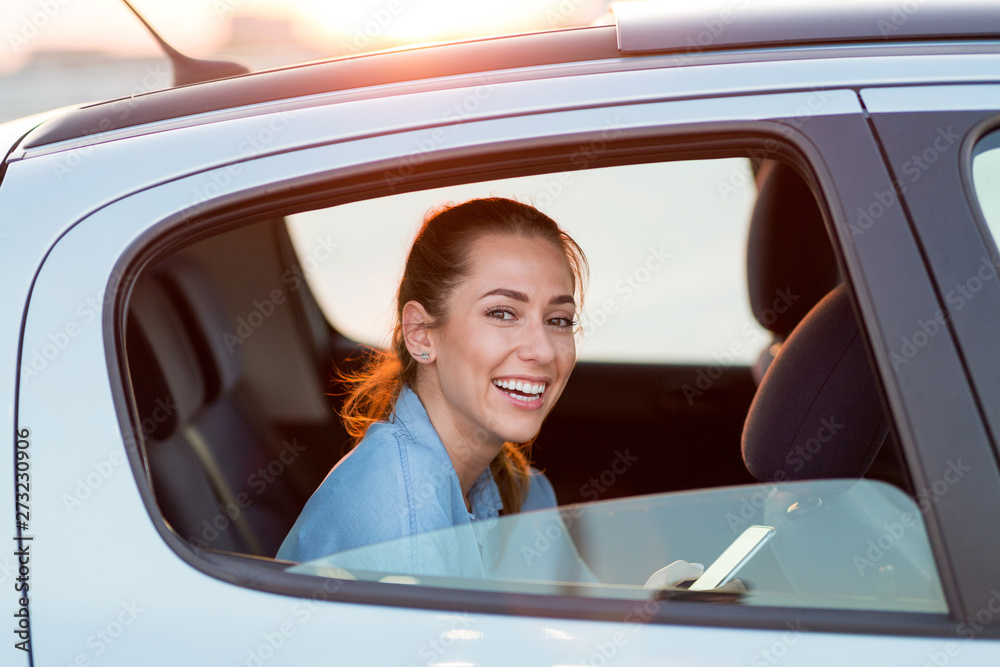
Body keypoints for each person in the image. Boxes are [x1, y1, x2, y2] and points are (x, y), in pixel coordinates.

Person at [276, 197, 588, 575]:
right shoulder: (403, 513)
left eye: (558, 320)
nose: (541, 350)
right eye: (502, 313)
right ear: (421, 335)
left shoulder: (523, 490)